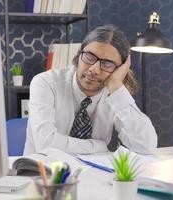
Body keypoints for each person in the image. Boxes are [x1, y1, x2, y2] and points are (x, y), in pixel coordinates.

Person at [23, 24, 157, 155]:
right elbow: (45, 143)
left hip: (93, 175)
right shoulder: (46, 83)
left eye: (107, 64)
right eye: (90, 57)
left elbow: (146, 146)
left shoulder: (115, 94)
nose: (94, 69)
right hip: (42, 172)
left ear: (119, 69)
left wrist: (116, 88)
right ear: (79, 54)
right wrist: (99, 146)